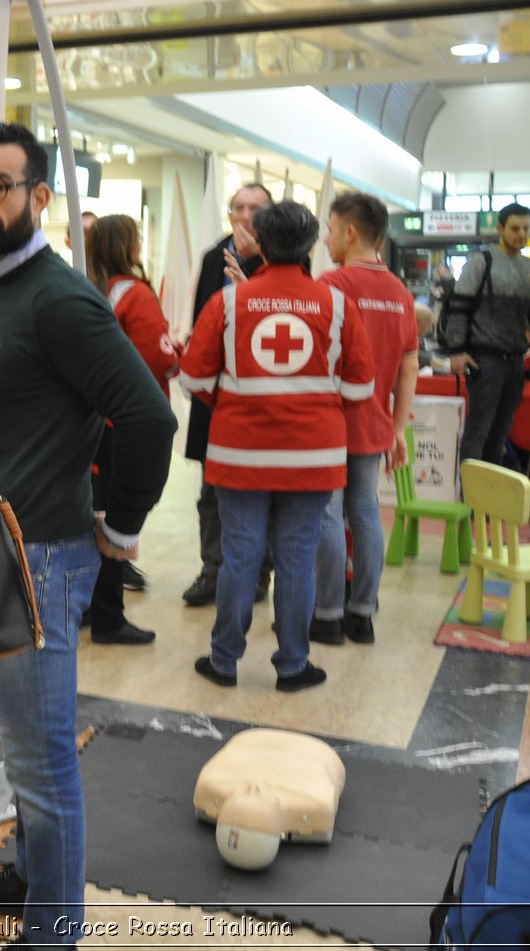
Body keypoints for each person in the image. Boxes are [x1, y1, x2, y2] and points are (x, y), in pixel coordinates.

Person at [0, 122, 176, 948]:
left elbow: (148, 415)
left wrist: (122, 524)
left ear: (38, 196)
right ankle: (32, 878)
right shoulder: (7, 286)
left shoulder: (58, 296)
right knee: (26, 749)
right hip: (8, 550)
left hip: (41, 557)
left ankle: (53, 933)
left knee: (43, 765)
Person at [180, 200, 374, 693]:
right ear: (312, 246)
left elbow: (194, 379)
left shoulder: (228, 302)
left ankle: (223, 661)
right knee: (296, 559)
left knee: (239, 557)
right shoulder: (335, 305)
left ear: (259, 244)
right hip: (313, 459)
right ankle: (292, 665)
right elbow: (358, 390)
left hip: (239, 455)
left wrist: (232, 396)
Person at [310, 194, 419, 646]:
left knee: (328, 515)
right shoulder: (400, 292)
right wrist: (397, 430)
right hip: (375, 423)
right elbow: (409, 366)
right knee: (367, 512)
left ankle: (328, 615)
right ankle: (363, 614)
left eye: (331, 230)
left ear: (350, 232)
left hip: (332, 422)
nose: (327, 238)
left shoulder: (333, 283)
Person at [81, 213, 180, 644]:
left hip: (93, 422)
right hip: (128, 422)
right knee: (117, 519)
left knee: (92, 514)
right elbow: (156, 360)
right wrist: (176, 354)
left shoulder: (89, 290)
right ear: (129, 247)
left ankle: (88, 607)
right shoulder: (135, 295)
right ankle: (108, 616)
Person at [182, 183, 275, 608]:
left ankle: (258, 574)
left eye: (255, 208)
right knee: (211, 492)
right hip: (217, 395)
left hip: (263, 399)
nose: (245, 215)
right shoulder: (211, 257)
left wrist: (251, 275)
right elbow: (203, 321)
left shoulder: (282, 258)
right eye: (238, 206)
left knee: (263, 493)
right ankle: (213, 570)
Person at [440, 202, 530, 465]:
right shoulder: (481, 262)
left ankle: (490, 500)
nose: (521, 234)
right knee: (478, 429)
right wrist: (457, 351)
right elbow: (459, 308)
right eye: (515, 228)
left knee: (500, 433)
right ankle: (472, 501)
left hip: (515, 360)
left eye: (526, 228)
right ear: (500, 228)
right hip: (484, 360)